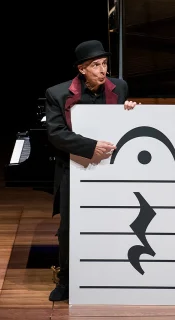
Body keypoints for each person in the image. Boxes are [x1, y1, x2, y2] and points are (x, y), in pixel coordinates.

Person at [44, 40, 137, 302]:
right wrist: (90, 146)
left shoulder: (119, 87)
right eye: (96, 65)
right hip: (74, 166)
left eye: (105, 63)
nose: (103, 70)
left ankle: (110, 274)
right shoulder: (58, 93)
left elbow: (123, 124)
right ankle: (66, 279)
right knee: (68, 228)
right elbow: (56, 134)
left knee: (113, 220)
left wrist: (130, 111)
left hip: (110, 166)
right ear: (82, 69)